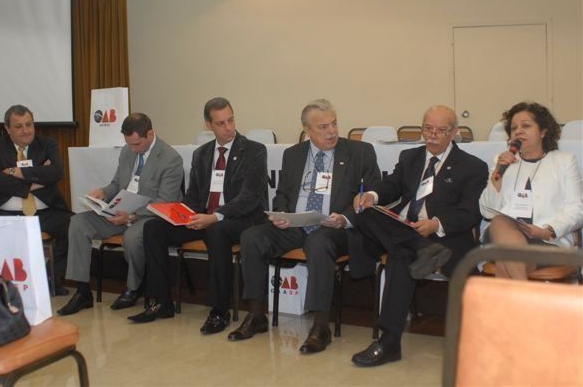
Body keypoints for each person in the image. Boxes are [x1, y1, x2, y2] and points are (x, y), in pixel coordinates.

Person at [227, 99, 381, 354]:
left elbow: (371, 192)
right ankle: (256, 315)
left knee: (318, 242)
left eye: (334, 124)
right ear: (307, 130)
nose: (332, 131)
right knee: (252, 236)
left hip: (336, 227)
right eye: (323, 127)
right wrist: (282, 214)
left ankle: (321, 326)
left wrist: (345, 218)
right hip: (296, 224)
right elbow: (282, 194)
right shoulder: (293, 154)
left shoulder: (360, 152)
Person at [350, 105, 488, 367]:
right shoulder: (410, 157)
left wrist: (436, 224)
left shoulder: (473, 166)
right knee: (363, 212)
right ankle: (419, 247)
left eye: (441, 130)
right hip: (405, 229)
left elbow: (470, 212)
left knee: (401, 257)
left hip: (444, 238)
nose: (432, 135)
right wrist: (372, 196)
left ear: (454, 133)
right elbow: (391, 186)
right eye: (428, 128)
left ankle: (389, 343)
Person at [128, 98, 269, 334]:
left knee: (216, 231)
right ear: (208, 125)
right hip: (205, 218)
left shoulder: (254, 151)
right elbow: (193, 197)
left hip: (240, 219)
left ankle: (219, 310)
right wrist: (178, 214)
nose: (228, 127)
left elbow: (250, 198)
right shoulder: (202, 154)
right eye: (221, 123)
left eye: (231, 120)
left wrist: (216, 216)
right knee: (153, 228)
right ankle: (161, 302)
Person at [58, 113, 184, 315]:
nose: (133, 149)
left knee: (132, 238)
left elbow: (166, 201)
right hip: (120, 211)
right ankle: (82, 291)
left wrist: (132, 216)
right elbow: (117, 184)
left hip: (149, 216)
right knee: (78, 223)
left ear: (150, 134)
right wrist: (103, 193)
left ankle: (134, 288)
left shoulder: (170, 158)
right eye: (129, 144)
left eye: (137, 144)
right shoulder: (127, 151)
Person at [480, 101, 583, 279]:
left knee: (508, 258)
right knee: (500, 221)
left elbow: (577, 209)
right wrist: (497, 176)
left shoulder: (564, 161)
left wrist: (549, 230)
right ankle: (523, 287)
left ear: (543, 131)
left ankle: (519, 287)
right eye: (514, 128)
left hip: (546, 240)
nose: (518, 131)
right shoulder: (502, 161)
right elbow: (486, 211)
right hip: (502, 234)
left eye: (526, 126)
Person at [0, 105, 73, 294]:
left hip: (45, 212)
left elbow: (56, 172)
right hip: (4, 213)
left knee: (75, 226)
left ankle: (50, 279)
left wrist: (15, 172)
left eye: (29, 124)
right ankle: (1, 285)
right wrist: (33, 183)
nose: (26, 130)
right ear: (7, 129)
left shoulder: (47, 144)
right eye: (19, 126)